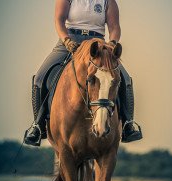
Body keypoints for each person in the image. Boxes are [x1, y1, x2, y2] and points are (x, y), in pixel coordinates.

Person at [24, 0, 143, 146]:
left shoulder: (108, 1)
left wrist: (112, 42)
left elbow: (114, 26)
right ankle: (38, 125)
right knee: (40, 77)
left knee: (125, 78)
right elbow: (59, 20)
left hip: (97, 44)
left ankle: (128, 125)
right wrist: (66, 40)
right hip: (70, 41)